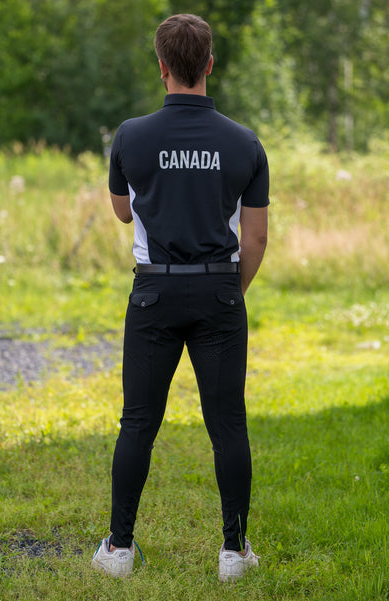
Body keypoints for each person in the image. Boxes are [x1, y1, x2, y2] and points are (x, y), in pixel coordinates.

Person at [92, 13, 269, 582]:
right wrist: (228, 290)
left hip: (154, 291)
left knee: (138, 422)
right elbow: (257, 237)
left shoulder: (131, 135)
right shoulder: (244, 142)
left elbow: (123, 211)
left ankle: (119, 551)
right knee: (228, 425)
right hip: (219, 286)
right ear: (209, 65)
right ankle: (233, 555)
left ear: (162, 66)